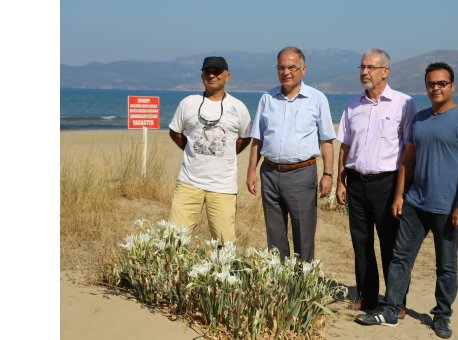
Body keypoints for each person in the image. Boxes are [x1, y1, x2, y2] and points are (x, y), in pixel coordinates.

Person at [356, 62, 458, 339]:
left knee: (446, 265)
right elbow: (408, 160)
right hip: (415, 203)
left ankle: (442, 316)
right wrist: (400, 194)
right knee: (400, 259)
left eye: (441, 83)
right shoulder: (420, 118)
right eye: (430, 84)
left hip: (447, 207)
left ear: (452, 86)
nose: (435, 88)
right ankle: (391, 309)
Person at [335, 49, 416, 316]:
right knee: (361, 243)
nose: (364, 72)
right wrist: (340, 180)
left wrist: (401, 192)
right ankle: (368, 297)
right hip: (356, 182)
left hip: (388, 183)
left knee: (391, 244)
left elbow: (408, 149)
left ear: (385, 71)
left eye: (370, 67)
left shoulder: (403, 103)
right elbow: (345, 145)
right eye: (362, 67)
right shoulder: (352, 104)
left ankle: (396, 301)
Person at [246, 46, 336, 262]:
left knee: (303, 235)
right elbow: (257, 138)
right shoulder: (267, 98)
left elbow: (326, 140)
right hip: (269, 172)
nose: (286, 72)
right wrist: (251, 171)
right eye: (281, 67)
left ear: (303, 70)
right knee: (274, 235)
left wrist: (328, 174)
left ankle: (302, 285)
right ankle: (281, 284)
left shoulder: (317, 99)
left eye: (292, 67)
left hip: (301, 175)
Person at [168, 56, 251, 243]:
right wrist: (193, 148)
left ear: (227, 76)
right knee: (175, 240)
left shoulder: (238, 107)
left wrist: (224, 151)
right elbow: (175, 132)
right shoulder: (188, 102)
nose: (212, 75)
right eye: (207, 71)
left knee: (225, 244)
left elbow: (245, 137)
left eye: (217, 71)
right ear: (202, 75)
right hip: (189, 183)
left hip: (223, 187)